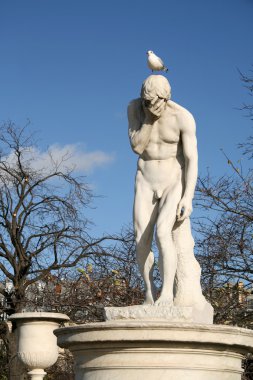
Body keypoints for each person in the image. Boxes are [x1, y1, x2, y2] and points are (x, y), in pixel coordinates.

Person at [128, 75, 198, 305]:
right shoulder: (135, 109)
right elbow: (137, 147)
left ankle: (167, 293)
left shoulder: (182, 117)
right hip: (145, 179)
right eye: (146, 101)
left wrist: (188, 196)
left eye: (155, 102)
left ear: (165, 98)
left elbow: (191, 159)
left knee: (162, 233)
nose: (151, 106)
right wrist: (148, 118)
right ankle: (149, 291)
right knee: (141, 240)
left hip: (172, 180)